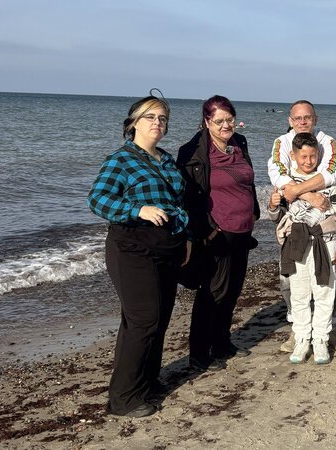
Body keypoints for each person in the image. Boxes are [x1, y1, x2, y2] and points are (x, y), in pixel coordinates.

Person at [87, 92, 191, 417]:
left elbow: (178, 204)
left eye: (162, 118)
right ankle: (123, 399)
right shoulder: (121, 159)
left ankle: (147, 382)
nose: (157, 123)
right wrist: (139, 208)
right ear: (133, 123)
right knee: (143, 318)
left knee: (158, 319)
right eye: (150, 117)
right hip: (131, 247)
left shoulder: (168, 160)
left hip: (168, 248)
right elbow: (97, 199)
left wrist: (185, 237)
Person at [176, 95, 259, 372]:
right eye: (219, 120)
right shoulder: (192, 151)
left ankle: (222, 342)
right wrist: (206, 230)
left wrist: (255, 211)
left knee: (233, 290)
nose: (226, 125)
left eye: (229, 119)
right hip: (216, 233)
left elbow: (248, 182)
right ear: (206, 121)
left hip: (243, 230)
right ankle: (199, 353)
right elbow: (188, 196)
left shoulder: (239, 143)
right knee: (212, 292)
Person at [267, 100, 336, 353]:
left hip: (325, 231)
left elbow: (331, 174)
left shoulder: (327, 142)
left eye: (307, 117)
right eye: (297, 118)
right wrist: (307, 195)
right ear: (290, 121)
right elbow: (277, 175)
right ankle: (299, 334)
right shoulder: (282, 143)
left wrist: (300, 191)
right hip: (295, 228)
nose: (302, 122)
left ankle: (327, 333)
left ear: (315, 119)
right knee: (293, 285)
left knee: (328, 283)